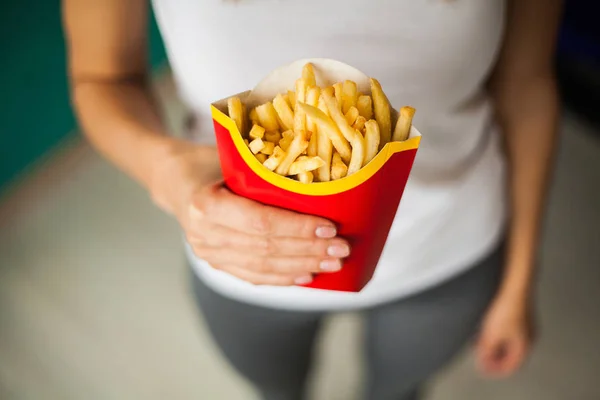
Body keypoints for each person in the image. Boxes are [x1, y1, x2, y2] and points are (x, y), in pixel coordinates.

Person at [62, 0, 562, 399]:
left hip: (449, 252)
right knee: (275, 391)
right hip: (243, 263)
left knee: (400, 393)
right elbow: (102, 79)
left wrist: (519, 282)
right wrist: (167, 174)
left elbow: (527, 85)